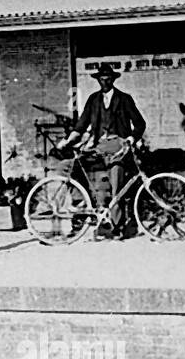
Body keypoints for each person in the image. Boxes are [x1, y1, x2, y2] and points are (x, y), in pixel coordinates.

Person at [58, 62, 147, 239]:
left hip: (119, 147)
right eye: (101, 78)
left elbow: (140, 124)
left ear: (113, 80)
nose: (104, 82)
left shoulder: (124, 99)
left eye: (108, 78)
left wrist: (130, 140)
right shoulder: (93, 100)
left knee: (117, 184)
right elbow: (81, 125)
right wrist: (68, 141)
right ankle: (80, 209)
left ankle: (116, 226)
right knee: (71, 167)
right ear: (98, 80)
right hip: (99, 147)